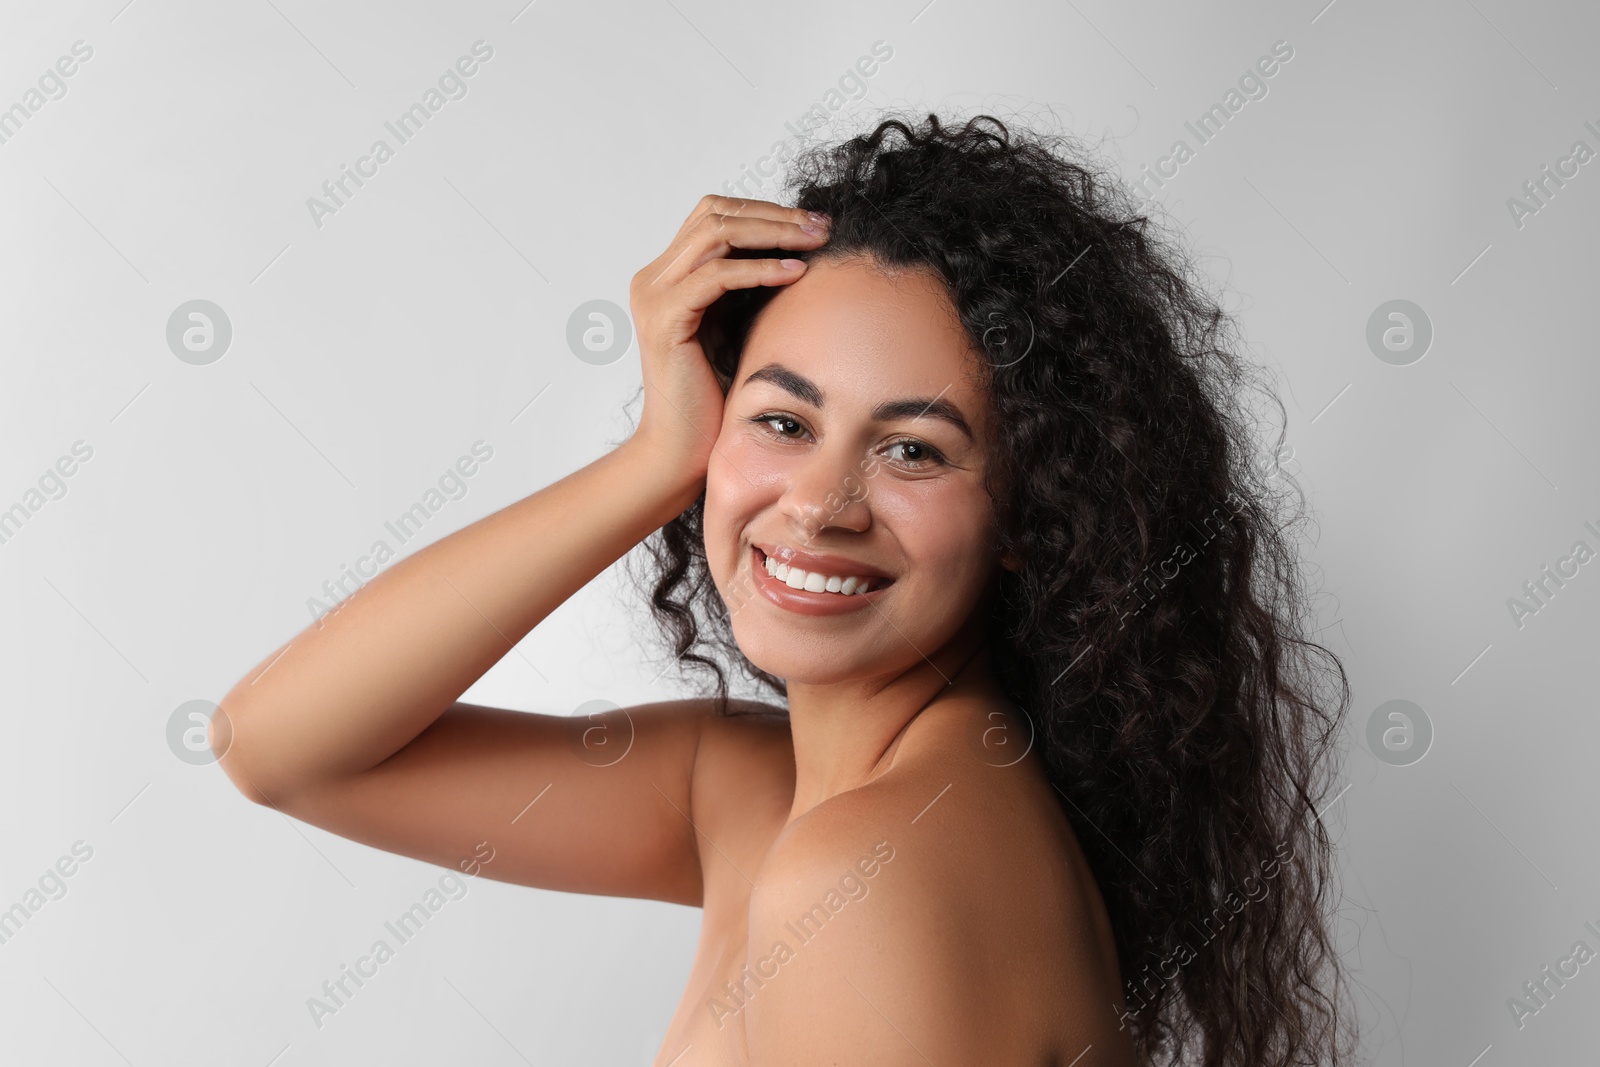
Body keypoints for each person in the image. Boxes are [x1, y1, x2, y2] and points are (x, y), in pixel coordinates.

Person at [214, 112, 1361, 1066]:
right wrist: (656, 461)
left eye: (912, 449)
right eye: (781, 420)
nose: (819, 503)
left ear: (1027, 516)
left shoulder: (866, 872)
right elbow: (280, 746)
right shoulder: (760, 787)